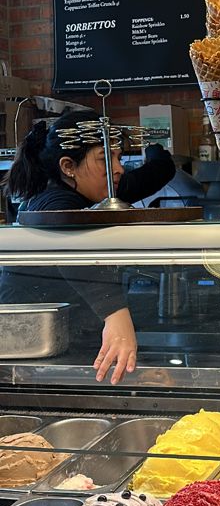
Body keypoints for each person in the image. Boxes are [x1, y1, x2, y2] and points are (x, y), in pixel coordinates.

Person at [1, 112, 175, 383]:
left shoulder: (90, 189)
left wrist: (158, 154)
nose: (118, 168)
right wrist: (115, 313)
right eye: (105, 158)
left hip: (58, 345)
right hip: (29, 351)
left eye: (118, 157)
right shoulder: (54, 200)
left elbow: (153, 175)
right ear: (68, 166)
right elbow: (66, 238)